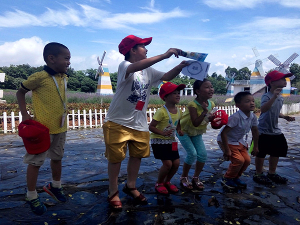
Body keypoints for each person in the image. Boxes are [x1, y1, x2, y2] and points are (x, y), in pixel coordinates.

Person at [103, 35, 188, 210]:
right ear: (132, 50)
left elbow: (166, 76)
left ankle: (131, 186)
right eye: (143, 46)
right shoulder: (125, 66)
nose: (147, 49)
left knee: (137, 156)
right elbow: (136, 66)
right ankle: (113, 191)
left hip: (139, 123)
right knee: (116, 159)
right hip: (117, 122)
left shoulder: (149, 71)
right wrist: (164, 55)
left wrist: (180, 66)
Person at [16, 42, 71, 215]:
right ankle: (31, 195)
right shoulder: (39, 77)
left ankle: (55, 186)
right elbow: (20, 92)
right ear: (51, 58)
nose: (69, 62)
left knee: (57, 157)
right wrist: (25, 114)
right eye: (66, 58)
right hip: (41, 130)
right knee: (35, 162)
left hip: (60, 127)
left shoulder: (64, 77)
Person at [253, 70, 295, 185]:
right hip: (263, 129)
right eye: (282, 79)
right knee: (261, 153)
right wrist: (274, 97)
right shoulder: (266, 96)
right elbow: (264, 109)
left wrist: (285, 116)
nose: (285, 80)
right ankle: (258, 173)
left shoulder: (280, 97)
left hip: (275, 129)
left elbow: (275, 112)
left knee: (276, 151)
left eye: (285, 79)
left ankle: (272, 173)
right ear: (271, 83)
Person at [176, 79, 215, 191]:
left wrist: (211, 118)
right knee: (192, 154)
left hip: (196, 132)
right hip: (184, 131)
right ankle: (184, 177)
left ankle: (196, 177)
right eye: (207, 87)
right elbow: (195, 122)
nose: (211, 89)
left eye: (211, 86)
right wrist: (204, 112)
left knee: (202, 154)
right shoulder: (192, 104)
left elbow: (206, 121)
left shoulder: (211, 104)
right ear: (198, 91)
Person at [217, 91, 259, 189]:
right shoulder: (235, 117)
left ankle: (235, 177)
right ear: (238, 105)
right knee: (239, 160)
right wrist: (226, 150)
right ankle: (227, 178)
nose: (252, 103)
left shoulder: (252, 116)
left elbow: (255, 132)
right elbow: (223, 133)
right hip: (227, 141)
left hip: (239, 141)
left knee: (247, 160)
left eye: (253, 101)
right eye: (247, 101)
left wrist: (256, 146)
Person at [149, 82, 185, 195]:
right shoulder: (161, 112)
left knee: (177, 163)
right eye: (174, 93)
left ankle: (167, 181)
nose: (178, 95)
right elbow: (151, 127)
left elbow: (178, 122)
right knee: (168, 164)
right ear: (165, 97)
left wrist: (179, 130)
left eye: (178, 93)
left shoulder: (179, 111)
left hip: (171, 141)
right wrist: (162, 133)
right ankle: (159, 183)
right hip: (159, 141)